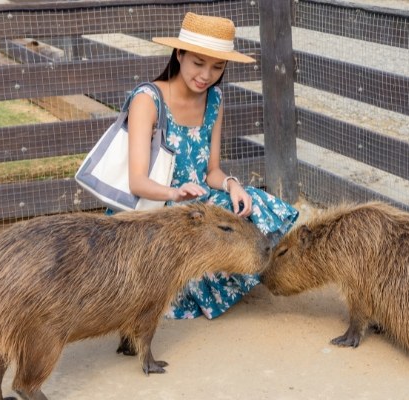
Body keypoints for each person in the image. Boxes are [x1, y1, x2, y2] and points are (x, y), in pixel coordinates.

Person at [117, 12, 299, 319]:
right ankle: (191, 293)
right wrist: (175, 193)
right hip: (153, 207)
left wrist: (233, 185)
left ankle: (214, 287)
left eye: (217, 66)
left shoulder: (215, 99)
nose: (206, 75)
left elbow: (211, 170)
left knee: (258, 207)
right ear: (180, 53)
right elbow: (136, 182)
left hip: (197, 202)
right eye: (198, 63)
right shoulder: (148, 99)